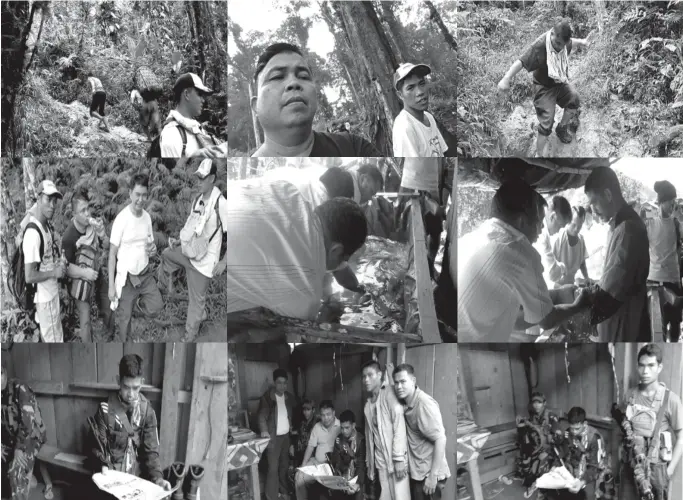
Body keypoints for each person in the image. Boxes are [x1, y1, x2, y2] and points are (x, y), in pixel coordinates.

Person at [458, 178, 589, 341]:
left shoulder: (478, 235)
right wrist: (579, 306)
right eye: (539, 221)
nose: (542, 228)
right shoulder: (519, 249)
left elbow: (516, 319)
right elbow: (547, 320)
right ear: (522, 221)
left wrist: (558, 294)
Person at [224, 176, 368, 322]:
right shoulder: (304, 297)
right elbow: (306, 334)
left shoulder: (287, 190)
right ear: (336, 251)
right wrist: (325, 316)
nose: (341, 265)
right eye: (343, 259)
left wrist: (357, 287)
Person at [250, 43, 381, 157]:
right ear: (255, 106)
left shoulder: (353, 148)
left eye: (303, 76)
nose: (294, 82)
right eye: (277, 77)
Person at [497, 20, 590, 156]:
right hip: (543, 86)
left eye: (562, 45)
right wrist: (506, 78)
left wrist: (582, 42)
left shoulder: (563, 43)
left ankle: (562, 128)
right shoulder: (540, 46)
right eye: (557, 43)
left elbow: (570, 42)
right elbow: (521, 62)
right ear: (552, 34)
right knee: (547, 122)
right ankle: (540, 154)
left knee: (574, 99)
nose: (559, 48)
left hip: (559, 81)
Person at [159, 160, 227, 341]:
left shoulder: (221, 204)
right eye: (197, 177)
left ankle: (189, 336)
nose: (198, 181)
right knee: (167, 254)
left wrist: (224, 261)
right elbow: (191, 226)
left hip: (204, 262)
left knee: (195, 303)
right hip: (190, 252)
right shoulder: (198, 200)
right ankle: (168, 289)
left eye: (202, 178)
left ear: (212, 178)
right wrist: (178, 241)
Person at [583, 167, 650, 342]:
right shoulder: (620, 226)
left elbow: (613, 289)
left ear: (608, 195)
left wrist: (584, 314)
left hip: (626, 321)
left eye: (594, 203)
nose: (593, 210)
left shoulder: (629, 229)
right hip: (621, 319)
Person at [88, 355, 171, 493]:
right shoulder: (105, 409)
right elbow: (96, 446)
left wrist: (158, 479)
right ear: (118, 381)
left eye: (136, 388)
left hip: (137, 480)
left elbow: (151, 453)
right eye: (126, 387)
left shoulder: (147, 412)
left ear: (142, 383)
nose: (131, 394)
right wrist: (102, 465)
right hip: (112, 479)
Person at [617, 343, 683, 500]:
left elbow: (681, 436)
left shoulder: (670, 400)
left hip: (656, 468)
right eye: (641, 365)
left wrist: (669, 471)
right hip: (631, 463)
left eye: (651, 365)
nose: (645, 371)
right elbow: (623, 425)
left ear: (659, 367)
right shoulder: (630, 395)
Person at [108, 174, 163, 342]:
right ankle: (126, 340)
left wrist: (152, 250)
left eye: (144, 195)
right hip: (127, 278)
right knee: (124, 322)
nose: (141, 199)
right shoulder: (122, 219)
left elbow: (150, 245)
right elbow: (112, 254)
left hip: (145, 274)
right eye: (137, 194)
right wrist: (111, 285)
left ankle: (137, 306)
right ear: (130, 193)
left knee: (157, 306)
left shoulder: (147, 217)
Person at [392, 364, 450, 500]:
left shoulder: (423, 403)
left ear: (413, 381)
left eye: (403, 382)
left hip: (428, 475)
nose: (399, 386)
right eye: (396, 382)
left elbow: (441, 439)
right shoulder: (407, 401)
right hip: (419, 472)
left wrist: (432, 476)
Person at [62, 188, 112, 342]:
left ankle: (108, 336)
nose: (87, 214)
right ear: (74, 214)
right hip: (80, 281)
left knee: (108, 307)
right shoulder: (68, 237)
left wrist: (102, 234)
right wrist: (85, 273)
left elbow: (107, 246)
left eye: (87, 209)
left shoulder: (93, 227)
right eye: (82, 211)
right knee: (85, 321)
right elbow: (65, 268)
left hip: (96, 274)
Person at [23, 180, 67, 342]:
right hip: (45, 298)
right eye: (48, 199)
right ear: (38, 199)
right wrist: (54, 272)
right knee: (54, 340)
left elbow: (45, 260)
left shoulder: (46, 227)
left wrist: (58, 264)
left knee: (52, 335)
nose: (52, 205)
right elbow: (30, 276)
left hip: (51, 294)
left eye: (54, 201)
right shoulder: (33, 234)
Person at [362, 360, 410, 500]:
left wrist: (399, 458)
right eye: (364, 376)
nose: (366, 380)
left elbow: (399, 425)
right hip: (381, 460)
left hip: (396, 458)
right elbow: (370, 437)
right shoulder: (367, 406)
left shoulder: (389, 393)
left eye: (370, 375)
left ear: (379, 375)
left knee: (401, 497)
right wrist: (370, 464)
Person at [644, 180, 683, 343]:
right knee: (656, 326)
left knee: (675, 326)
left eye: (674, 201)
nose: (673, 205)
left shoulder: (676, 222)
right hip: (654, 280)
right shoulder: (650, 223)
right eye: (670, 201)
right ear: (661, 202)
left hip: (673, 279)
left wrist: (680, 218)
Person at [539, 407, 606, 500]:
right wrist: (555, 466)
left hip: (591, 472)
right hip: (574, 468)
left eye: (577, 429)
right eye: (572, 428)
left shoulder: (594, 438)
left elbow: (594, 467)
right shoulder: (568, 432)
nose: (574, 432)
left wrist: (582, 482)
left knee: (587, 496)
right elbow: (564, 453)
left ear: (585, 423)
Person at [1, 364, 47, 500]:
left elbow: (28, 423)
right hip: (8, 439)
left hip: (31, 437)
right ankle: (29, 479)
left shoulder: (20, 388)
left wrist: (19, 448)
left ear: (4, 373)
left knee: (15, 472)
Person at [398, 157, 448, 278]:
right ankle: (414, 265)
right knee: (408, 224)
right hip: (411, 179)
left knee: (435, 228)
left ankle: (430, 263)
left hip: (432, 184)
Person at [159, 73, 225, 158]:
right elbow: (171, 170)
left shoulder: (197, 128)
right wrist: (193, 159)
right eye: (200, 94)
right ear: (186, 94)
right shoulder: (171, 133)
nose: (203, 100)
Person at [392, 63, 448, 157]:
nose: (420, 92)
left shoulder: (428, 117)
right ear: (400, 95)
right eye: (410, 88)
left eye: (422, 84)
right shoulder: (404, 127)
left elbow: (442, 152)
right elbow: (414, 169)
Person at [259, 369, 296, 500]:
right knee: (273, 468)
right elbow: (262, 416)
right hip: (273, 438)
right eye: (279, 383)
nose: (283, 386)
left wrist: (291, 426)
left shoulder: (289, 397)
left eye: (285, 383)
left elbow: (290, 415)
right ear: (274, 383)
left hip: (286, 437)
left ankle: (284, 492)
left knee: (284, 466)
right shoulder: (267, 397)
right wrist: (264, 430)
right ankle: (271, 496)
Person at [515, 392, 561, 498]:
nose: (536, 405)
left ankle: (544, 490)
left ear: (544, 403)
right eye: (534, 402)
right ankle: (532, 481)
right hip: (538, 447)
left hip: (550, 449)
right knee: (523, 457)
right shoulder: (533, 416)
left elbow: (559, 439)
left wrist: (548, 447)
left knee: (540, 464)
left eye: (539, 402)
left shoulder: (551, 416)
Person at [315, 409, 366, 500]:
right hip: (342, 477)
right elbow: (337, 463)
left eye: (347, 428)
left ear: (353, 425)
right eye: (342, 428)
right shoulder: (339, 440)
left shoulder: (361, 441)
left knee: (358, 494)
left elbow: (361, 465)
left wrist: (357, 484)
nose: (344, 431)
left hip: (356, 477)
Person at [295, 400, 341, 500]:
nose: (326, 418)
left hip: (331, 466)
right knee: (299, 476)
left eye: (328, 414)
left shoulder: (340, 426)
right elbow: (310, 446)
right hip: (316, 462)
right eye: (323, 415)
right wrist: (303, 465)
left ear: (333, 413)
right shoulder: (317, 427)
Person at [535, 195, 572, 285]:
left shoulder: (545, 234)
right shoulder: (542, 234)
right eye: (559, 226)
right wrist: (563, 267)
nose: (558, 231)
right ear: (553, 216)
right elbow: (552, 274)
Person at [551, 206, 590, 288]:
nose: (576, 229)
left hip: (571, 284)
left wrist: (586, 278)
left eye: (579, 226)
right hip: (557, 285)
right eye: (574, 225)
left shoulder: (581, 240)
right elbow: (550, 266)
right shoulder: (558, 239)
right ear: (568, 221)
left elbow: (582, 263)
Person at [289, 399, 318, 489]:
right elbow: (298, 433)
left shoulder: (317, 423)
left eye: (308, 410)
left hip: (311, 455)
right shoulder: (303, 422)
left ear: (313, 410)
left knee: (301, 477)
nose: (305, 412)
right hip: (300, 453)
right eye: (304, 410)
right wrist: (293, 445)